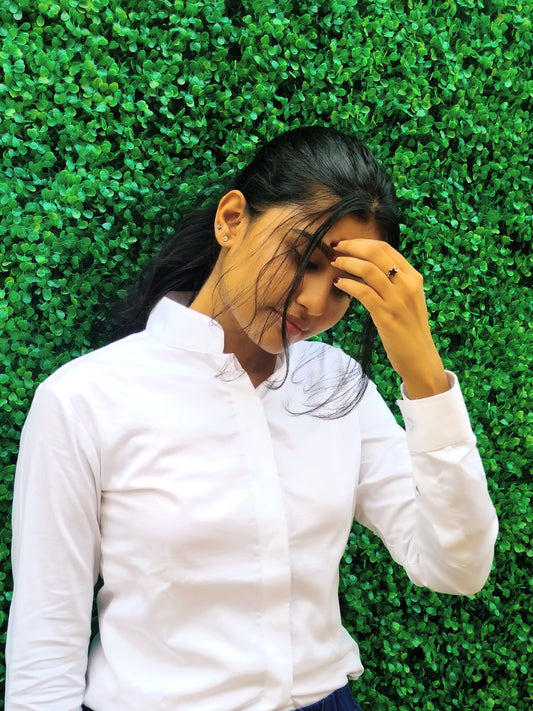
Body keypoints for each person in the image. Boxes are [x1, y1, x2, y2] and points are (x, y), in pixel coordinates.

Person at [6, 126, 498, 711]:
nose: (315, 302)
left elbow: (457, 566)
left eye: (342, 288)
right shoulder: (85, 399)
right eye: (303, 258)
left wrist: (425, 378)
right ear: (232, 219)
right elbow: (46, 640)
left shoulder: (336, 386)